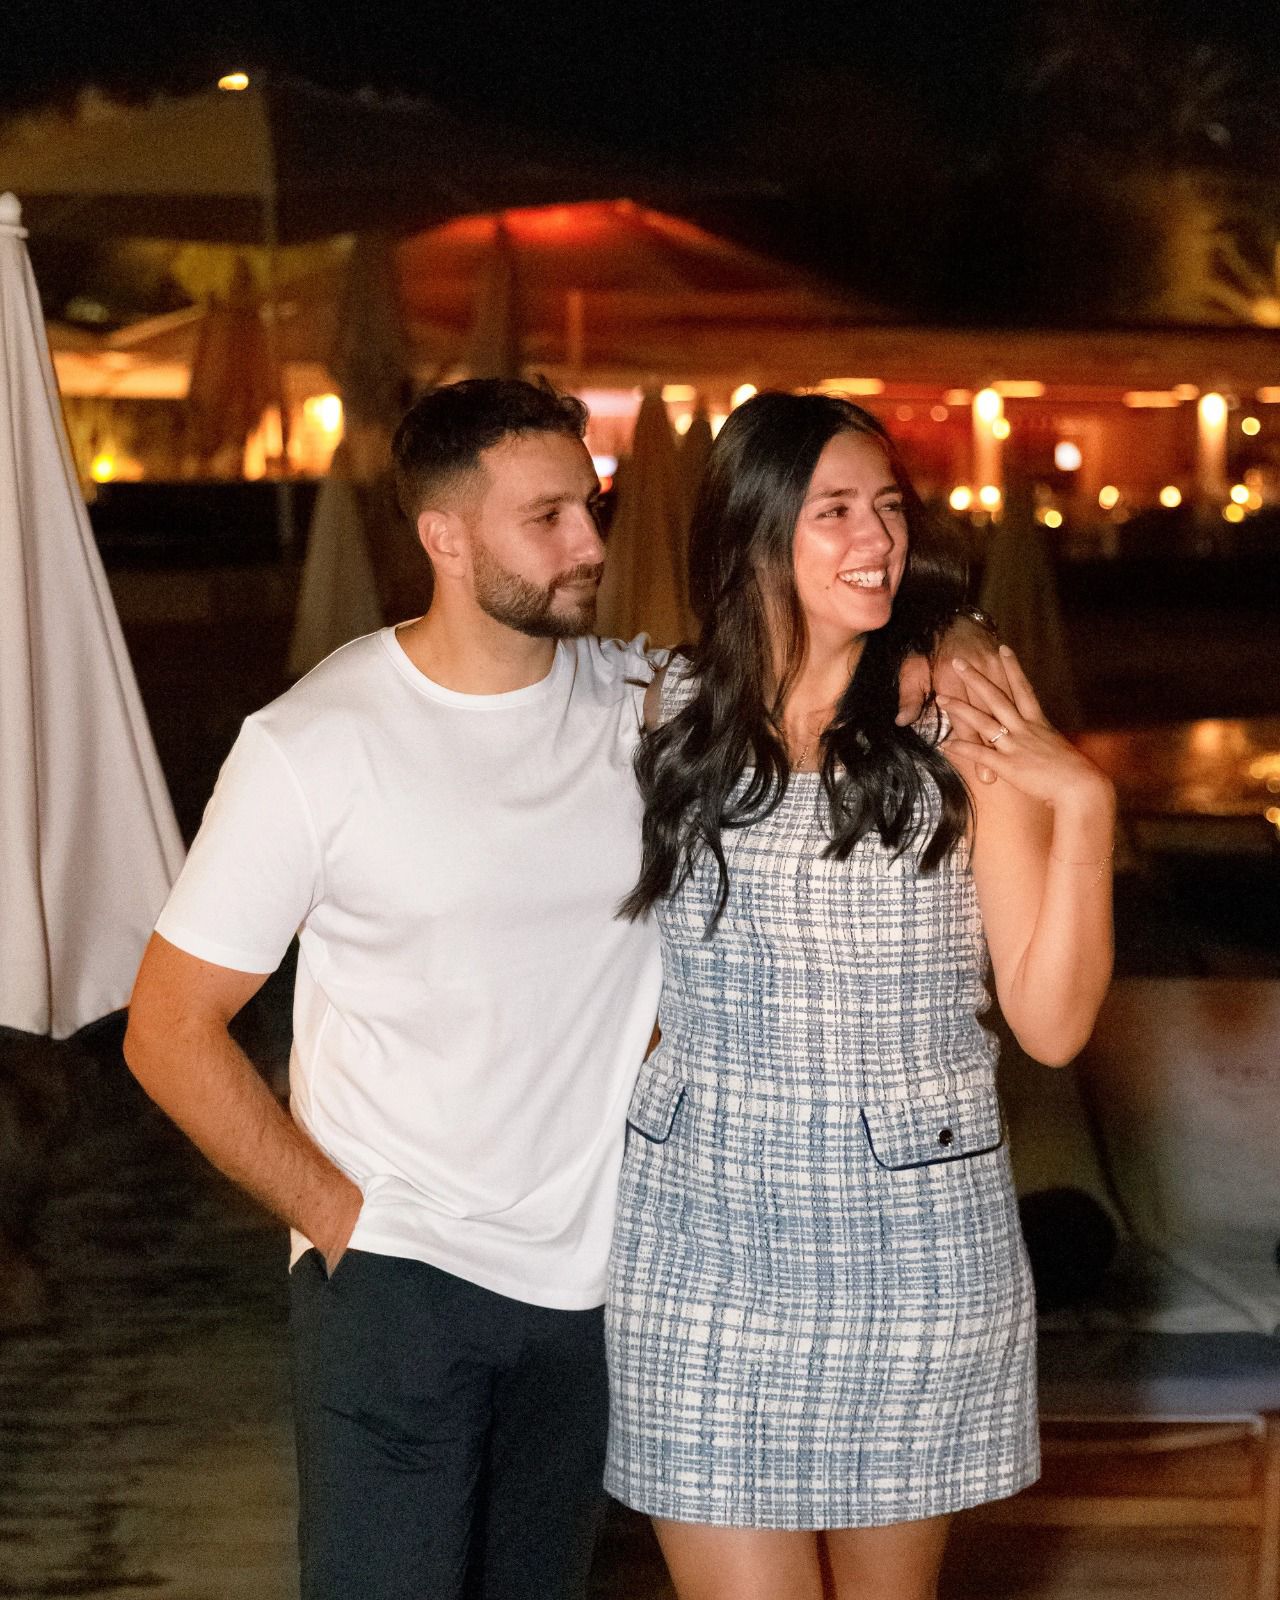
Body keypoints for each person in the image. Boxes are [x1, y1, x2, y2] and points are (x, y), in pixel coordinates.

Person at [123, 377, 1006, 1600]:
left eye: (589, 507)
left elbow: (809, 662)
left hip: (602, 1282)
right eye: (546, 519)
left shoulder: (644, 709)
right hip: (399, 1274)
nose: (590, 541)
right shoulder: (312, 743)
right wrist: (342, 1222)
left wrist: (939, 644)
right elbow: (168, 1030)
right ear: (444, 536)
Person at [606, 391, 1115, 1600]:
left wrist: (1083, 811)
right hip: (698, 1245)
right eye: (832, 511)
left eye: (886, 507)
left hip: (912, 1250)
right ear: (751, 536)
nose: (873, 537)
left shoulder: (958, 729)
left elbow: (1049, 1023)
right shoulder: (656, 712)